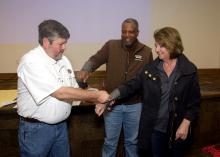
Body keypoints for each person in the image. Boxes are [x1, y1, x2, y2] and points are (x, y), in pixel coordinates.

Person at [96, 27, 201, 157]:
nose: (156, 50)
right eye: (156, 45)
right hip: (155, 130)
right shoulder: (150, 69)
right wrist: (110, 97)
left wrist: (186, 123)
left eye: (161, 46)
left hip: (178, 129)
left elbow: (194, 103)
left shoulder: (189, 70)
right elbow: (131, 85)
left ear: (172, 45)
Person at [17, 19, 110, 157]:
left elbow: (74, 90)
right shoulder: (31, 61)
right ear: (46, 42)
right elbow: (60, 93)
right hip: (36, 131)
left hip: (61, 127)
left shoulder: (63, 60)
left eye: (65, 43)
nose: (64, 47)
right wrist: (97, 96)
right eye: (61, 43)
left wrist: (96, 99)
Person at [77, 18, 153, 157]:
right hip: (111, 104)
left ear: (137, 33)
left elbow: (147, 80)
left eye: (131, 32)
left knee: (132, 142)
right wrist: (85, 69)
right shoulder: (111, 45)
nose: (127, 35)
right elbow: (95, 59)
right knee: (110, 142)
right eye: (124, 32)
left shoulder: (146, 52)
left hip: (135, 105)